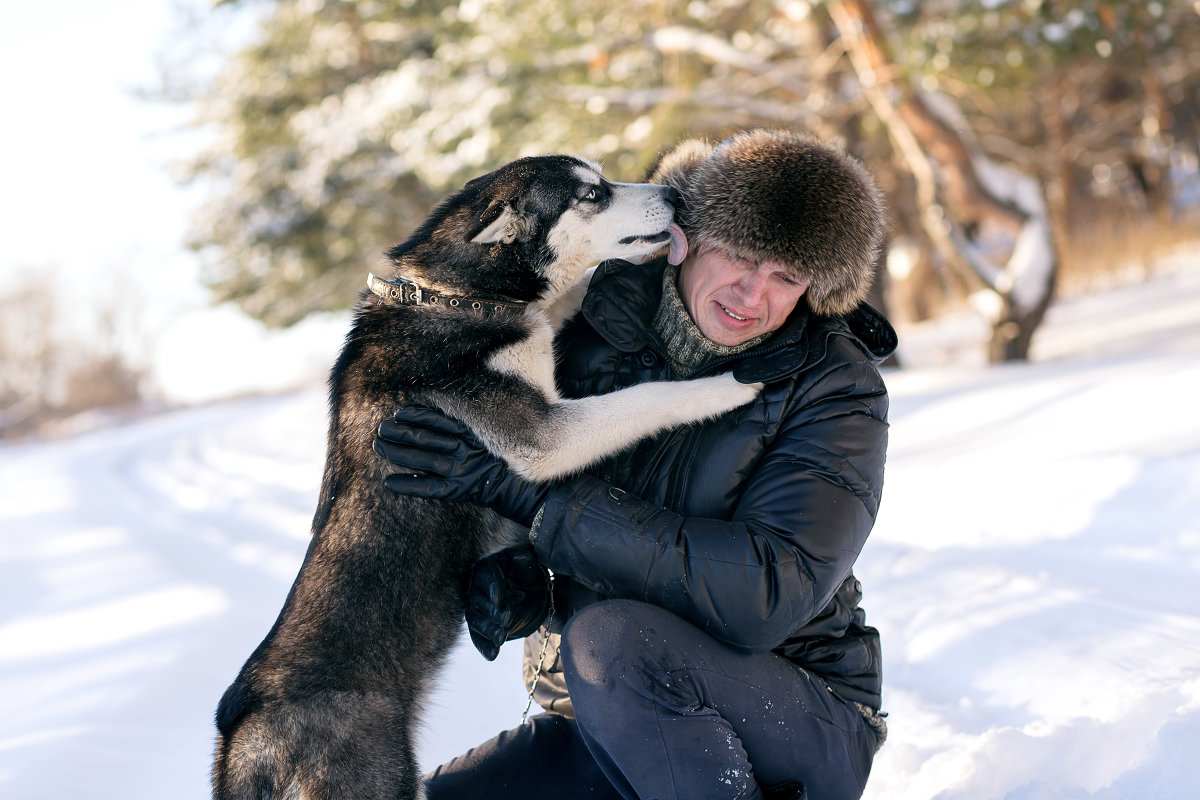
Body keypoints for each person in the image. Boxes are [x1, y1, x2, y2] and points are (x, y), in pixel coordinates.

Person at [374, 129, 897, 800]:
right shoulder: (596, 337)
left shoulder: (833, 386)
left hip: (798, 717)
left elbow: (767, 595)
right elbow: (584, 515)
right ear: (687, 238)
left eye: (786, 277)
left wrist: (539, 503)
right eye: (738, 256)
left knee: (613, 637)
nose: (752, 294)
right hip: (617, 717)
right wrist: (527, 575)